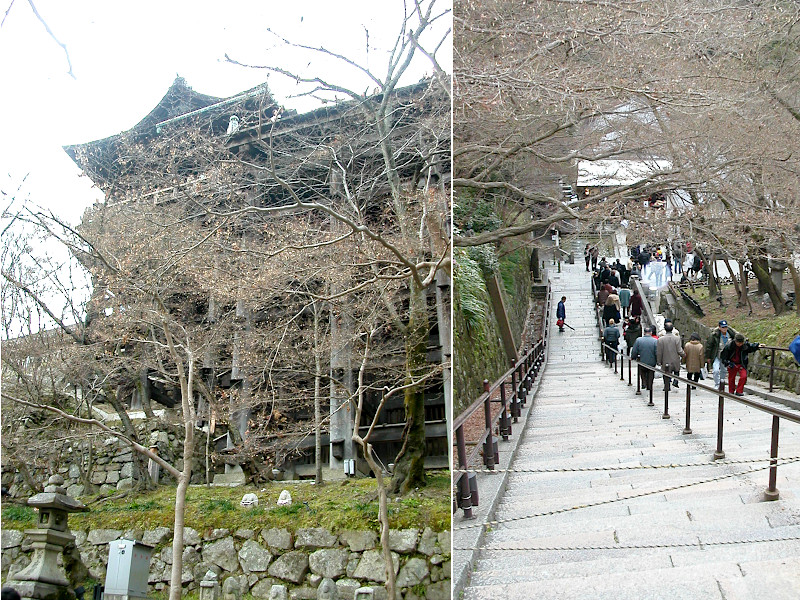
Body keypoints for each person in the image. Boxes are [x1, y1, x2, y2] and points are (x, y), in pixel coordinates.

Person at [705, 320, 738, 387]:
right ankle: (717, 383)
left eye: (725, 327)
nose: (724, 329)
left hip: (726, 356)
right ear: (719, 327)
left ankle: (721, 382)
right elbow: (709, 346)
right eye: (723, 327)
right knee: (716, 370)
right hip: (717, 355)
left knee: (724, 370)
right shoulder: (715, 335)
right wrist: (708, 357)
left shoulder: (731, 335)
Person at [657, 321, 685, 390]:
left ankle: (667, 386)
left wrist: (659, 361)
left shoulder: (660, 340)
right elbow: (679, 350)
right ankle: (675, 382)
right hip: (675, 359)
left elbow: (659, 352)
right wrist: (683, 355)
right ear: (672, 329)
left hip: (665, 359)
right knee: (676, 371)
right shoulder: (677, 338)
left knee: (666, 373)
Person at [631, 325, 658, 391]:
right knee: (651, 373)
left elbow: (634, 350)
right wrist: (658, 360)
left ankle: (643, 383)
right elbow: (657, 352)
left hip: (641, 360)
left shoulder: (638, 340)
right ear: (651, 333)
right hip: (652, 361)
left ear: (644, 333)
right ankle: (649, 385)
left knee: (642, 371)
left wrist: (633, 357)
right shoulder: (655, 341)